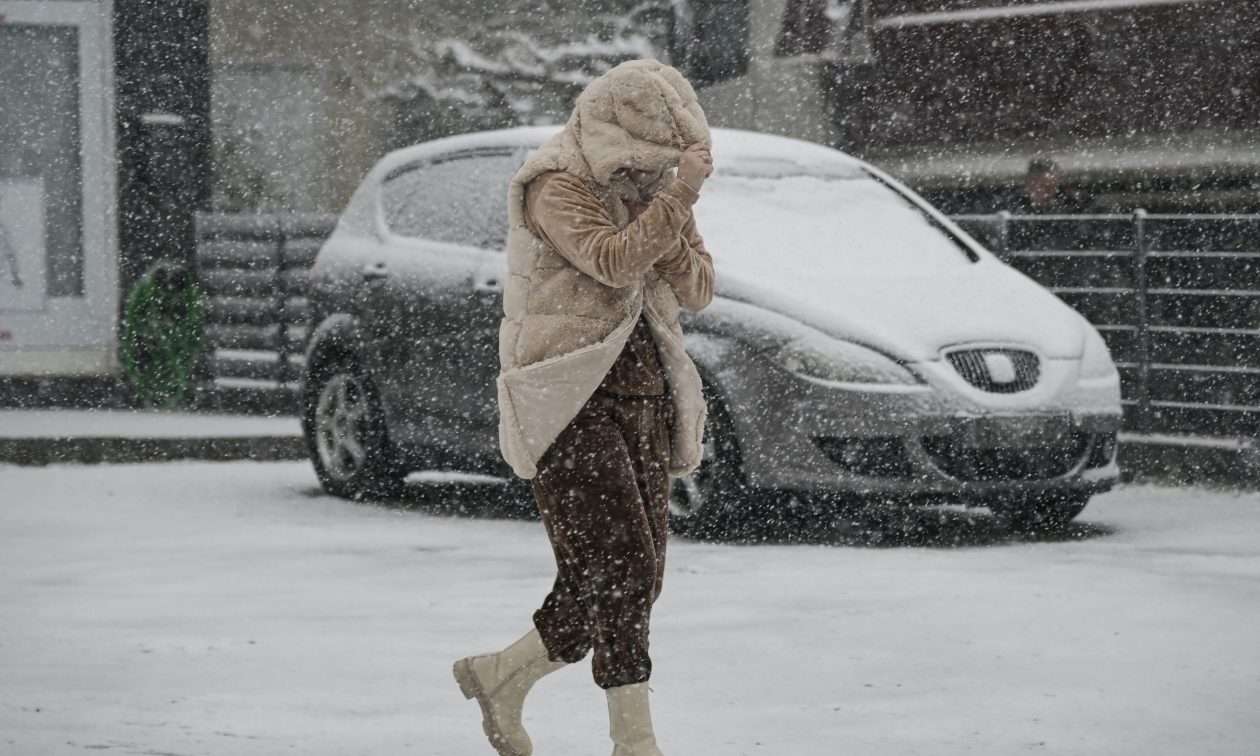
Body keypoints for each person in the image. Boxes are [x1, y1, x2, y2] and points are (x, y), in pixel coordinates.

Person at [452, 59, 715, 756]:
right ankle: (635, 740)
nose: (643, 177)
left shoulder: (655, 195)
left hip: (645, 394)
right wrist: (672, 202)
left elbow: (698, 289)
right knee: (622, 565)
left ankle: (503, 675)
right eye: (637, 165)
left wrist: (673, 207)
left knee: (626, 575)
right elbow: (611, 260)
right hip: (565, 397)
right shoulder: (554, 187)